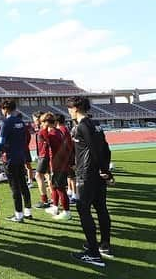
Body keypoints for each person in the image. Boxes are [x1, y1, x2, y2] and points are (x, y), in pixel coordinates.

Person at [67, 96, 112, 267]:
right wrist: (106, 170)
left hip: (87, 175)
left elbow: (95, 150)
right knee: (101, 208)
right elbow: (106, 149)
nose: (69, 111)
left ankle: (93, 252)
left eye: (70, 108)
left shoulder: (83, 125)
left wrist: (103, 170)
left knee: (83, 209)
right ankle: (104, 244)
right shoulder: (95, 124)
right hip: (96, 174)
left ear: (76, 108)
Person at [0, 100, 33, 223]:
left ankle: (18, 214)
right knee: (23, 184)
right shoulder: (21, 122)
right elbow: (25, 139)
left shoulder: (6, 123)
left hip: (10, 158)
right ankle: (28, 211)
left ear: (5, 109)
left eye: (2, 109)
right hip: (20, 156)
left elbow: (1, 141)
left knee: (14, 187)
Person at [38, 112, 71, 221]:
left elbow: (43, 140)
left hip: (58, 164)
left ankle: (67, 212)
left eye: (42, 122)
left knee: (60, 188)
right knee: (56, 186)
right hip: (61, 163)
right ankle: (55, 207)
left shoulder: (51, 134)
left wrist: (44, 129)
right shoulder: (57, 131)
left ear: (46, 122)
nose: (41, 124)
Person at [56, 113, 77, 204]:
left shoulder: (62, 130)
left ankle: (75, 195)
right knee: (69, 175)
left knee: (72, 176)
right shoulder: (63, 129)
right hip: (68, 156)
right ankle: (70, 191)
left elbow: (66, 145)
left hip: (67, 156)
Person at [33, 111, 52, 209]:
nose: (34, 122)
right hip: (44, 155)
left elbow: (48, 142)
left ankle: (45, 201)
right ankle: (53, 198)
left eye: (35, 119)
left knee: (38, 176)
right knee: (47, 176)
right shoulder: (43, 129)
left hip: (44, 156)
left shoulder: (43, 130)